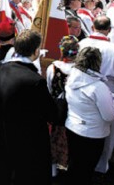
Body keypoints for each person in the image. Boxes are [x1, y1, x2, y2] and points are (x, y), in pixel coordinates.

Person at [0, 30, 57, 185]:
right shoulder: (35, 81)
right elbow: (52, 114)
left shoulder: (3, 69)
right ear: (35, 51)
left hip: (4, 138)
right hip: (28, 145)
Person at [78, 15, 114, 173]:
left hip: (83, 86)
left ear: (93, 27)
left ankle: (84, 159)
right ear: (109, 30)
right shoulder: (113, 49)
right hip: (108, 88)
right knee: (109, 128)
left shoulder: (82, 43)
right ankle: (102, 164)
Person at [65, 47, 114, 185]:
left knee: (74, 165)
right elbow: (108, 116)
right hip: (92, 134)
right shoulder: (98, 87)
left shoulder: (71, 77)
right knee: (86, 170)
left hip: (72, 128)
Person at [46, 35, 79, 177]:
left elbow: (48, 87)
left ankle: (52, 170)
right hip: (74, 110)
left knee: (53, 138)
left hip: (56, 108)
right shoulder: (79, 70)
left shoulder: (52, 67)